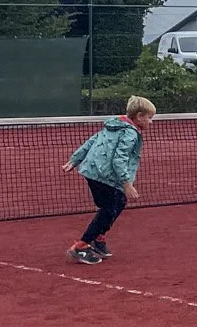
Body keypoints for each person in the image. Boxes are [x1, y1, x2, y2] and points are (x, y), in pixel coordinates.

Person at [63, 96, 157, 265]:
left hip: (91, 171)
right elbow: (119, 160)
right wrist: (126, 183)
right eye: (150, 118)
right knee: (110, 208)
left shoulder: (114, 125)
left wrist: (75, 159)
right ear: (140, 116)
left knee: (116, 204)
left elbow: (93, 140)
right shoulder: (130, 134)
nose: (151, 122)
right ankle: (81, 246)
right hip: (104, 175)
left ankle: (99, 237)